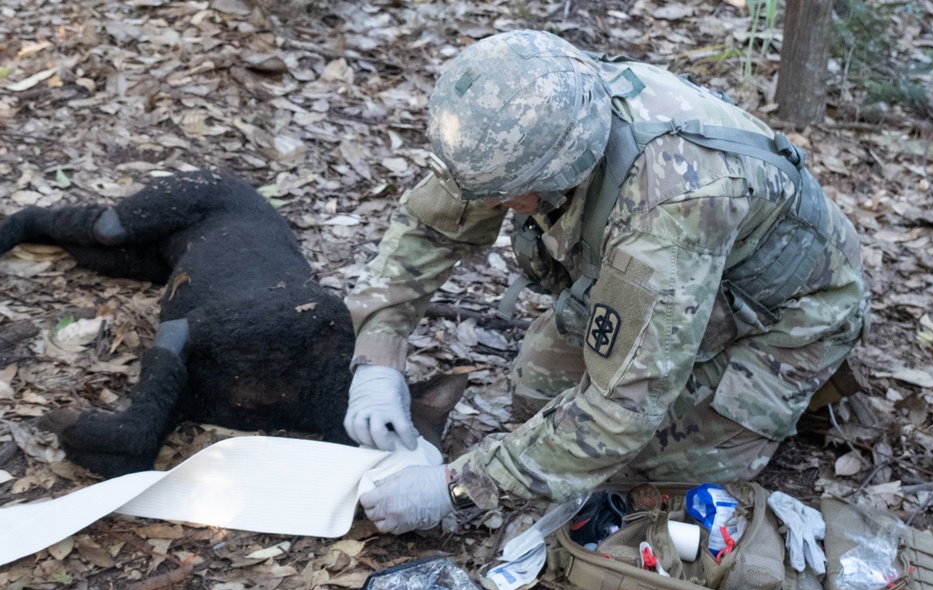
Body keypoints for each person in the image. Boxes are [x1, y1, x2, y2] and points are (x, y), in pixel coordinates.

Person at [344, 30, 869, 534]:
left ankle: (790, 389)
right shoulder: (527, 105)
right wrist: (378, 352)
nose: (486, 209)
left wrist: (459, 487)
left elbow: (621, 414)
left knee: (647, 479)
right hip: (691, 286)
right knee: (536, 389)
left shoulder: (669, 206)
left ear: (563, 169)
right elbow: (431, 226)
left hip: (787, 310)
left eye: (503, 199)